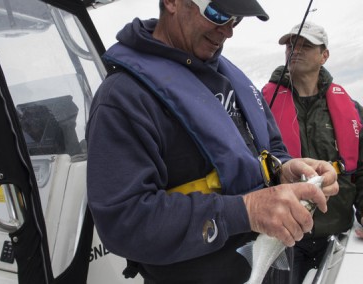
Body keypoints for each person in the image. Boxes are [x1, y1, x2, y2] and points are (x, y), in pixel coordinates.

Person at [86, 1, 338, 283]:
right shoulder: (123, 98)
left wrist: (286, 168)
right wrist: (246, 211)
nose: (228, 31)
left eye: (236, 20)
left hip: (273, 267)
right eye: (218, 14)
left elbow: (271, 147)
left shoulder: (231, 78)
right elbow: (124, 222)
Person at [262, 22, 363, 284]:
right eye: (290, 44)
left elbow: (361, 167)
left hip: (336, 231)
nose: (295, 50)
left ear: (324, 55)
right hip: (282, 237)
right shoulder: (261, 105)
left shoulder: (350, 109)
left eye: (306, 45)